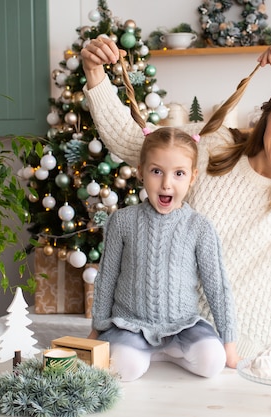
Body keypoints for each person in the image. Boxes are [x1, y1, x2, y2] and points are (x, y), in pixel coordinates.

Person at [81, 35, 271, 359]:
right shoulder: (214, 146)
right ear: (266, 116)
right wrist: (94, 73)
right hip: (160, 335)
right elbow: (132, 142)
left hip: (238, 352)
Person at [88, 126, 238, 381]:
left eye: (179, 173)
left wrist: (229, 344)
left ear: (192, 177)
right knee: (124, 368)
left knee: (213, 362)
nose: (167, 183)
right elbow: (107, 279)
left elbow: (217, 287)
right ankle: (145, 353)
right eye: (157, 171)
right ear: (141, 173)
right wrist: (96, 329)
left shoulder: (199, 227)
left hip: (184, 325)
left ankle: (169, 352)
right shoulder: (121, 222)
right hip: (131, 324)